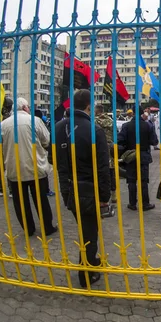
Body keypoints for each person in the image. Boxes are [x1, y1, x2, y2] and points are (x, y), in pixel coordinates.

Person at [56, 89, 112, 288]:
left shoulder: (59, 127)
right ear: (89, 105)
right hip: (88, 188)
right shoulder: (93, 129)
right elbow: (103, 166)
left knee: (84, 227)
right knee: (90, 233)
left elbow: (53, 159)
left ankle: (92, 261)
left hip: (68, 188)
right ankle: (86, 273)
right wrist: (105, 196)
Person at [1, 98, 57, 238]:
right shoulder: (35, 120)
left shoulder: (3, 124)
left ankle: (28, 228)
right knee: (41, 199)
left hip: (14, 168)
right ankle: (47, 227)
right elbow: (47, 140)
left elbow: (0, 145)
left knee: (20, 202)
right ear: (25, 107)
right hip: (35, 167)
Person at [117, 107, 158, 211]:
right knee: (143, 181)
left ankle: (132, 203)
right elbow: (154, 141)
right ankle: (145, 204)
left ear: (133, 113)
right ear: (142, 113)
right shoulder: (148, 125)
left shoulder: (126, 126)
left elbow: (120, 140)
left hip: (131, 156)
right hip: (144, 155)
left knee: (131, 180)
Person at [95, 104, 118, 206]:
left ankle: (103, 196)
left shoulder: (94, 121)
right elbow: (116, 133)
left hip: (98, 147)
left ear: (97, 111)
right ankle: (114, 195)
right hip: (110, 147)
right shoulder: (111, 120)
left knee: (100, 172)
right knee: (111, 172)